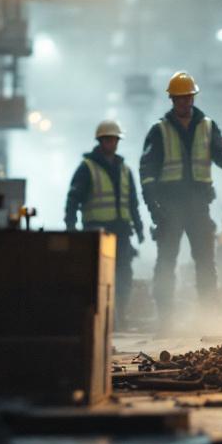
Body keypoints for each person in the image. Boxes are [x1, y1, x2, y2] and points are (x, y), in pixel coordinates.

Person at [140, 71, 222, 332]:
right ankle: (165, 320)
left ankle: (208, 319)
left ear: (193, 98)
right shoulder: (159, 131)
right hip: (170, 207)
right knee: (166, 262)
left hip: (199, 205)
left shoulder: (207, 127)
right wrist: (153, 206)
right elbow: (147, 172)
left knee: (205, 261)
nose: (184, 102)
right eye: (179, 98)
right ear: (172, 100)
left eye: (187, 97)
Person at [65, 119, 145, 330]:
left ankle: (120, 317)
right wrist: (71, 227)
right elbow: (73, 199)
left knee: (124, 275)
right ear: (100, 141)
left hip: (122, 232)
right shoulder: (87, 168)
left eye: (114, 139)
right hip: (97, 232)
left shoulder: (125, 170)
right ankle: (100, 320)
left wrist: (139, 228)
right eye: (107, 139)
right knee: (97, 277)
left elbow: (133, 203)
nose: (111, 143)